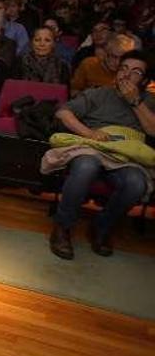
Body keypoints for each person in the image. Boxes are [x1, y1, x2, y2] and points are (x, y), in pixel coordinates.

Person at [47, 51, 155, 259]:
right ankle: (62, 227)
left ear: (144, 79)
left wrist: (135, 102)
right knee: (86, 166)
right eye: (123, 68)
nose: (126, 75)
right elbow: (63, 112)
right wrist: (89, 133)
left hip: (126, 154)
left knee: (136, 183)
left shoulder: (149, 101)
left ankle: (101, 227)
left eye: (135, 72)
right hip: (94, 145)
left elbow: (152, 131)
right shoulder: (100, 93)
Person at [71, 34, 135, 95]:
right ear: (105, 53)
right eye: (113, 56)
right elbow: (74, 90)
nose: (117, 62)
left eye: (122, 59)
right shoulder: (89, 64)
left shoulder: (131, 72)